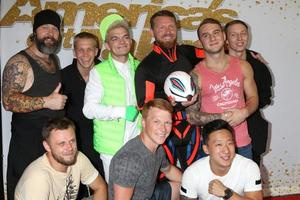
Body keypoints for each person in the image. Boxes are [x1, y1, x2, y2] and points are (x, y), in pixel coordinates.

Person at [1, 9, 67, 199]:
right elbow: (8, 100)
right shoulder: (20, 62)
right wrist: (47, 102)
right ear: (35, 31)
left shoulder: (53, 60)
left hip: (50, 144)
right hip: (27, 146)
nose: (50, 33)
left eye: (55, 29)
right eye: (45, 27)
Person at [135, 9, 205, 171]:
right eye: (161, 28)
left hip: (191, 127)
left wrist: (249, 54)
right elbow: (143, 107)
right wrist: (171, 104)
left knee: (197, 177)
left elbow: (215, 52)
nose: (168, 32)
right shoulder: (146, 67)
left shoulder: (188, 52)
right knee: (164, 182)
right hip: (163, 132)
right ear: (152, 31)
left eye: (171, 27)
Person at [186, 18, 258, 159]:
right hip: (213, 148)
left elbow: (253, 98)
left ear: (224, 36)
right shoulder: (196, 74)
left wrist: (243, 112)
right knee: (213, 182)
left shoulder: (243, 66)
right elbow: (191, 116)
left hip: (241, 144)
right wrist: (221, 118)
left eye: (216, 33)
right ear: (200, 42)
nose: (212, 38)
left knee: (243, 182)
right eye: (206, 35)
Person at [83, 14, 140, 182]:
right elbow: (89, 109)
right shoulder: (98, 72)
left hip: (139, 142)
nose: (121, 42)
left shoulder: (139, 67)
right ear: (107, 45)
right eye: (115, 39)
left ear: (131, 41)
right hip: (112, 147)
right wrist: (122, 112)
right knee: (117, 194)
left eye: (125, 37)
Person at [14, 117, 107, 200]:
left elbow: (100, 187)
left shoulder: (78, 158)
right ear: (47, 146)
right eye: (62, 143)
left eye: (72, 141)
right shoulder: (37, 179)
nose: (70, 148)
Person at [109, 98, 182, 200]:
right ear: (143, 122)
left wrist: (192, 184)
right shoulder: (129, 160)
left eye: (167, 123)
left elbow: (168, 170)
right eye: (156, 121)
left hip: (149, 195)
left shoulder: (158, 148)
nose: (163, 129)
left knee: (181, 187)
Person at [61, 32, 104, 199]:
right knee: (75, 189)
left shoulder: (106, 73)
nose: (85, 55)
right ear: (74, 52)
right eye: (81, 50)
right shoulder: (63, 76)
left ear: (97, 51)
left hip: (102, 140)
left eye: (89, 49)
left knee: (101, 186)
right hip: (75, 141)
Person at [224, 20, 273, 166]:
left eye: (243, 34)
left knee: (252, 180)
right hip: (223, 129)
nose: (240, 39)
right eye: (234, 35)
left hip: (252, 129)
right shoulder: (215, 63)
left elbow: (265, 98)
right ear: (226, 39)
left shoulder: (259, 66)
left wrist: (246, 108)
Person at [180, 119, 263, 200]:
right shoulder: (192, 173)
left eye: (230, 143)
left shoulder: (249, 167)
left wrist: (227, 193)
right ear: (206, 149)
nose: (226, 150)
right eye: (219, 144)